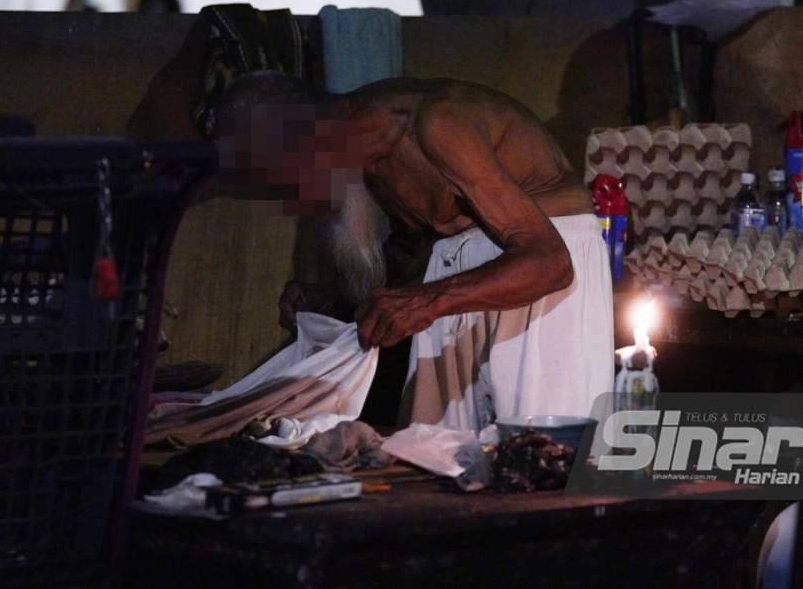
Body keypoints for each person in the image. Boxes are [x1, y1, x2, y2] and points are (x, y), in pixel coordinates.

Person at [210, 72, 615, 432]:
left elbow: (550, 263)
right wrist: (334, 304)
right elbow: (416, 263)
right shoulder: (366, 162)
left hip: (544, 263)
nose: (294, 197)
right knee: (435, 453)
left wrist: (429, 301)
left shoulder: (438, 123)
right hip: (462, 284)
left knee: (544, 457)